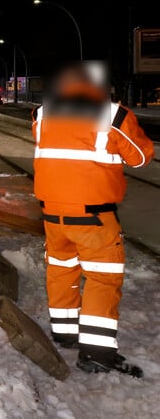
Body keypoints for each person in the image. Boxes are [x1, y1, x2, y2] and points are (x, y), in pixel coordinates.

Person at [32, 63, 154, 377]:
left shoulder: (43, 114)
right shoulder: (112, 115)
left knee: (61, 270)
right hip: (93, 218)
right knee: (102, 278)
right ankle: (97, 353)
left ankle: (65, 332)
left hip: (52, 216)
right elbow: (140, 157)